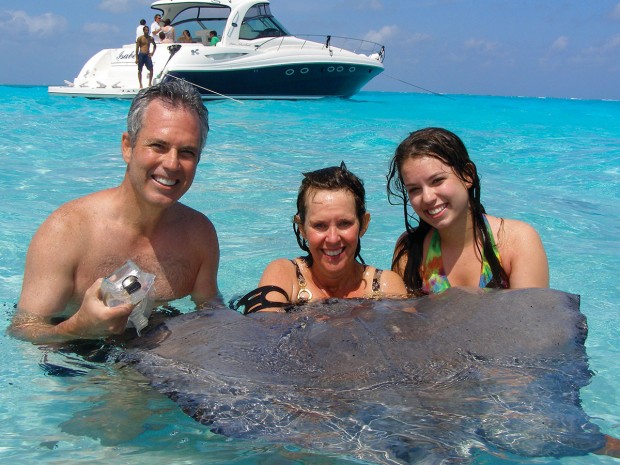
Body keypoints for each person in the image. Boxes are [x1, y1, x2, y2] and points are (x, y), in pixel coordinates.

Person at [9, 79, 220, 344]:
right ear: (127, 147)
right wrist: (78, 327)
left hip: (157, 351)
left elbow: (210, 312)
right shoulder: (67, 231)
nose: (172, 163)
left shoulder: (198, 234)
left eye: (187, 152)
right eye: (158, 146)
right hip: (76, 359)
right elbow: (22, 330)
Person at [386, 127, 549, 295]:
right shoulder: (411, 250)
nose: (427, 198)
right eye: (414, 189)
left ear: (467, 175)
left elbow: (530, 318)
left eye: (437, 180)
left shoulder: (517, 241)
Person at [232, 163, 407, 314]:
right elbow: (262, 337)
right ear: (302, 228)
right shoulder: (285, 275)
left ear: (363, 224)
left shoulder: (384, 285)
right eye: (320, 225)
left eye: (344, 223)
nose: (332, 238)